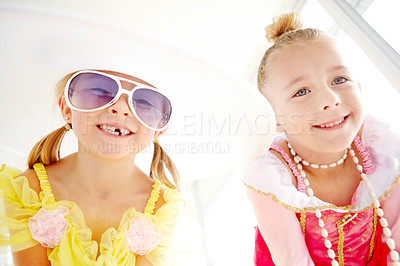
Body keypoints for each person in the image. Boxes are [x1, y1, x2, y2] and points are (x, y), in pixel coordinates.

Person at [243, 12, 400, 265]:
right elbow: (291, 259)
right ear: (275, 119)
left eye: (339, 80)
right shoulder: (272, 179)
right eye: (301, 91)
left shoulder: (381, 149)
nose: (330, 100)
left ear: (359, 88)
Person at [0, 69, 189, 265]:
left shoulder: (160, 208)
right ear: (67, 108)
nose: (121, 108)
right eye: (101, 91)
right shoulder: (30, 190)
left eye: (143, 102)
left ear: (159, 128)